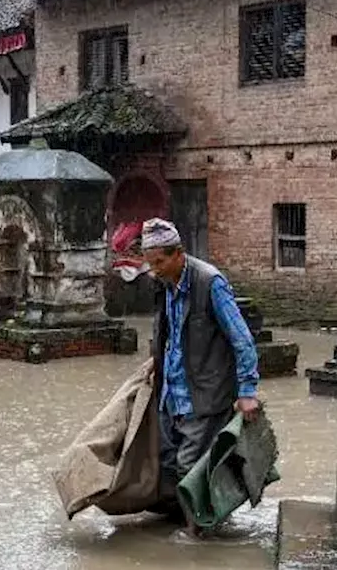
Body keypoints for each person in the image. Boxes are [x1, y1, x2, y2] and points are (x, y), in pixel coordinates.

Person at [138, 218, 261, 538]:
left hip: (204, 395)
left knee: (189, 465)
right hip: (171, 393)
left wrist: (247, 392)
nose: (154, 270)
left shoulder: (210, 283)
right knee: (165, 464)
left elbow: (243, 340)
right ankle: (200, 518)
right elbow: (169, 333)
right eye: (150, 264)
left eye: (160, 262)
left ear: (178, 254)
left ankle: (196, 537)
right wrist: (156, 363)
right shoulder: (163, 282)